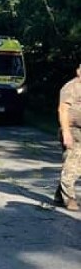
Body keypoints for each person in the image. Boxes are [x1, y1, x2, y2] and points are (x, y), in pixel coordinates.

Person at [54, 61, 81, 211]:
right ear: (78, 71)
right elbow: (63, 110)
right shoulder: (71, 87)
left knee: (72, 162)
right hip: (72, 129)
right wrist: (66, 133)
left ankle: (60, 195)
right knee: (74, 161)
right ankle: (69, 198)